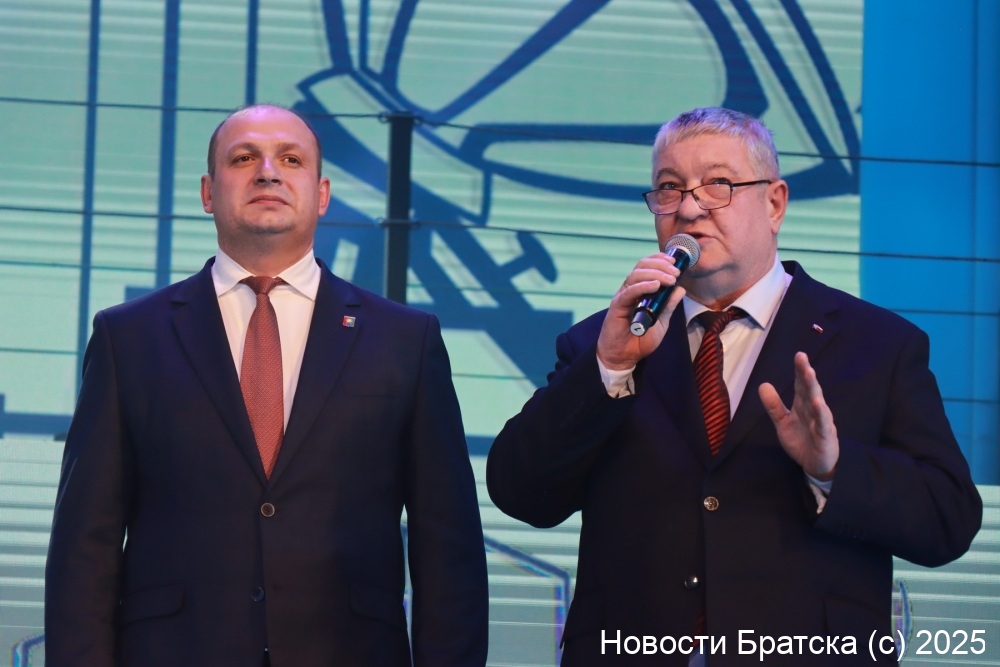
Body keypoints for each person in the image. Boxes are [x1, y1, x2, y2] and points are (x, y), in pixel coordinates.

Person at [486, 107, 982, 665]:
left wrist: (833, 470)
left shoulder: (877, 344)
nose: (689, 208)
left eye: (717, 184)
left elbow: (949, 520)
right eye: (669, 188)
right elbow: (518, 492)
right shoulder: (604, 342)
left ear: (774, 204)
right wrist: (610, 368)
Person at [45, 104, 489, 666]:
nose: (268, 172)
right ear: (208, 192)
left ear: (322, 195)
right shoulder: (128, 337)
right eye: (244, 158)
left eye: (291, 159)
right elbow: (85, 544)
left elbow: (448, 546)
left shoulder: (405, 340)